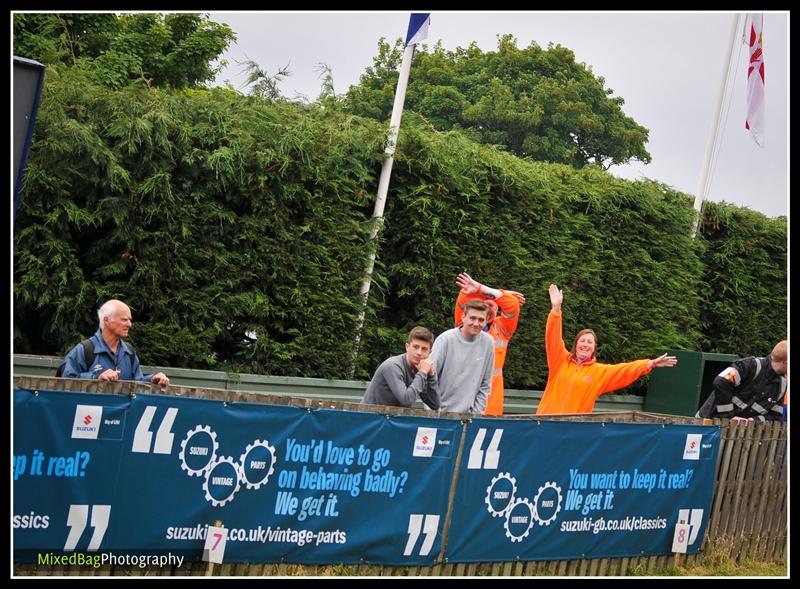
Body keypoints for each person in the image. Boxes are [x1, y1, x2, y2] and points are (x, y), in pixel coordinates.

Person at [536, 284, 677, 415]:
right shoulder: (560, 360)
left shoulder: (599, 372)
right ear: (576, 344)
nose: (585, 344)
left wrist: (649, 364)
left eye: (589, 342)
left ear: (594, 349)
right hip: (544, 424)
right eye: (582, 341)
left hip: (573, 430)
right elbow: (552, 336)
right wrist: (556, 309)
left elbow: (624, 370)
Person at [453, 273, 525, 416]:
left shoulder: (502, 329)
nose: (489, 309)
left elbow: (512, 305)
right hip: (462, 398)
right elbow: (464, 295)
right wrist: (490, 293)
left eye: (493, 305)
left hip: (491, 403)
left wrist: (486, 290)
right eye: (485, 305)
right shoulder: (465, 324)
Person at [60, 299, 170, 385]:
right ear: (107, 320)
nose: (130, 324)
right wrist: (96, 377)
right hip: (90, 413)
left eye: (130, 320)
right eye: (124, 319)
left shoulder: (129, 352)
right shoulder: (85, 349)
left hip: (120, 414)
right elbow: (64, 382)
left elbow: (136, 382)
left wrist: (152, 379)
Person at [696, 340, 787, 423]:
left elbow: (775, 416)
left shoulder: (782, 384)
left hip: (738, 436)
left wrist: (753, 421)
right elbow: (721, 381)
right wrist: (728, 417)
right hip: (708, 423)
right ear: (786, 362)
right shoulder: (749, 366)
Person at [430, 300, 494, 414]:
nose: (476, 323)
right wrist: (434, 410)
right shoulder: (445, 339)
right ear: (463, 317)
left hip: (468, 418)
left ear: (486, 322)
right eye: (472, 318)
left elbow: (485, 383)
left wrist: (476, 414)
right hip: (439, 415)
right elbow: (430, 378)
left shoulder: (488, 342)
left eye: (481, 320)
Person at [361, 326, 440, 409]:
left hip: (390, 419)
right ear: (407, 347)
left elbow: (435, 404)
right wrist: (422, 373)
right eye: (415, 347)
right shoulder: (393, 366)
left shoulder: (419, 368)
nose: (419, 353)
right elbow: (406, 400)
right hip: (369, 418)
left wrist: (431, 376)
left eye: (424, 349)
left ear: (429, 353)